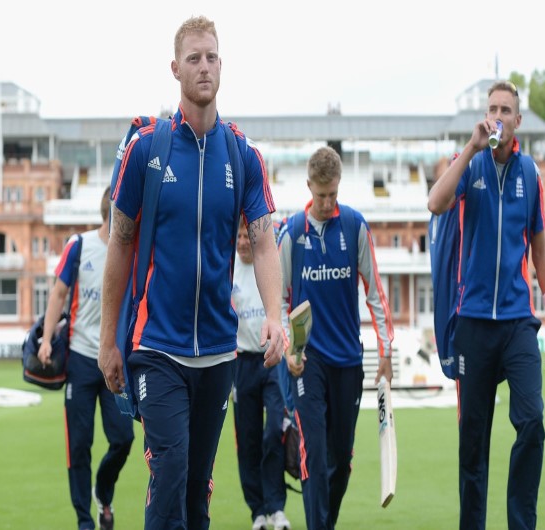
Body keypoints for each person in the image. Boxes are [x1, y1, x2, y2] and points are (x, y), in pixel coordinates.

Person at [98, 15, 284, 530]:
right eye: (194, 58)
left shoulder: (242, 154)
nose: (204, 67)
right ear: (175, 68)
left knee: (198, 494)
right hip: (157, 347)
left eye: (212, 57)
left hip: (219, 352)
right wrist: (108, 341)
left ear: (222, 66)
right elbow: (121, 243)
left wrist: (275, 315)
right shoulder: (146, 149)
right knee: (171, 472)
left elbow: (265, 239)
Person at [427, 80, 545, 530]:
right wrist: (470, 147)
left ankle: (521, 523)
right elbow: (435, 201)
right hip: (472, 324)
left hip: (518, 324)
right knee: (473, 445)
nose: (498, 115)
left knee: (533, 421)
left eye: (506, 109)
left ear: (518, 120)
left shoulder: (529, 174)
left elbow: (540, 248)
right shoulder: (470, 164)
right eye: (492, 108)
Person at [278, 146, 394, 529]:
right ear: (309, 185)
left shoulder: (355, 227)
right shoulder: (292, 234)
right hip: (307, 363)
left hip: (348, 361)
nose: (327, 202)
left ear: (339, 186)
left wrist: (386, 352)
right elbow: (278, 302)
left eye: (333, 194)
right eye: (320, 194)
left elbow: (375, 293)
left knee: (341, 460)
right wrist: (289, 350)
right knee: (313, 453)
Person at [38, 186, 134, 530]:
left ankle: (103, 493)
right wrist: (46, 339)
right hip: (79, 358)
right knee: (78, 446)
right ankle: (84, 522)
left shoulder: (131, 251)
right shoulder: (79, 246)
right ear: (108, 213)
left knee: (123, 439)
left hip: (115, 360)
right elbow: (59, 293)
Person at [231, 218, 291, 530]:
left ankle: (277, 507)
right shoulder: (228, 271)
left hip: (272, 362)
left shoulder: (269, 264)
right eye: (238, 235)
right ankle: (258, 512)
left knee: (273, 434)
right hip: (242, 364)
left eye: (246, 235)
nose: (243, 241)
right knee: (249, 438)